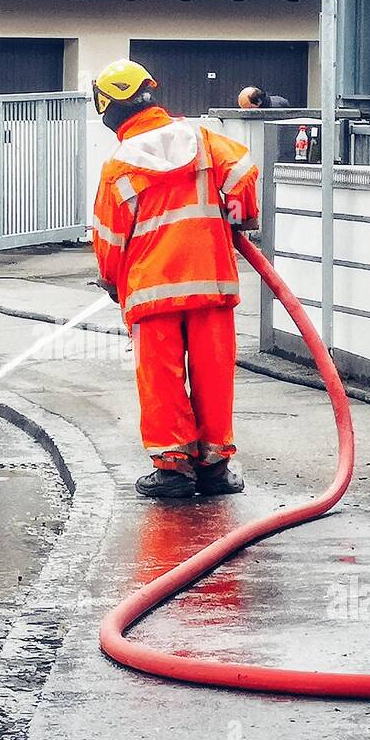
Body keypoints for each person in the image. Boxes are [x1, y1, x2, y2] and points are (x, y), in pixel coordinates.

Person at [90, 59, 260, 499]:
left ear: (109, 107)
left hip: (151, 291)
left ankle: (173, 469)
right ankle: (215, 467)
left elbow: (109, 239)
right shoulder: (200, 139)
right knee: (213, 372)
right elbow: (242, 170)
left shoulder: (118, 167)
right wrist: (240, 217)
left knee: (160, 377)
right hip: (210, 282)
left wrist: (111, 282)